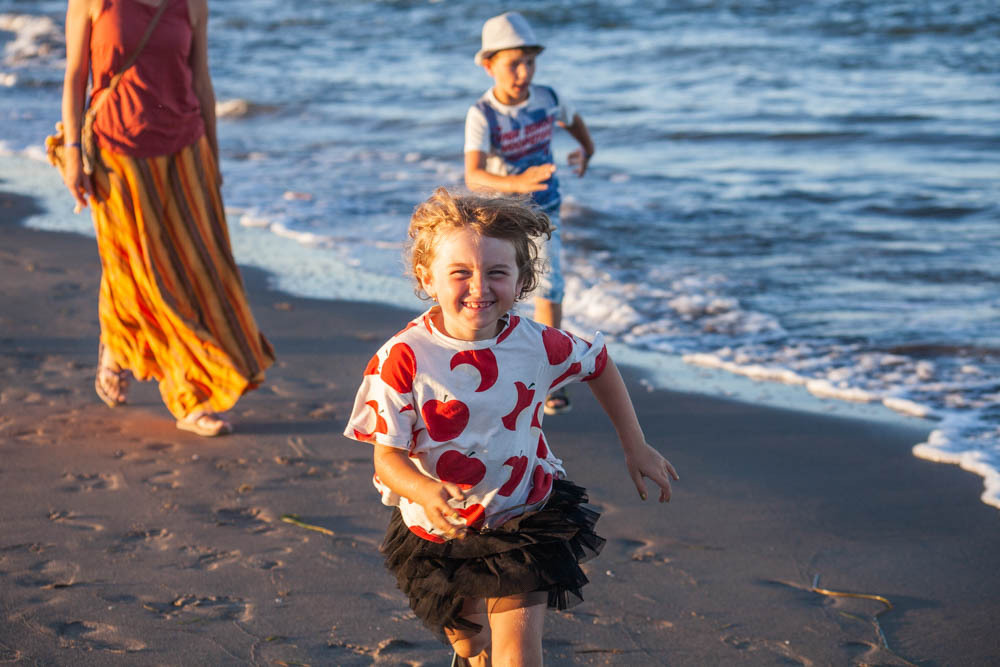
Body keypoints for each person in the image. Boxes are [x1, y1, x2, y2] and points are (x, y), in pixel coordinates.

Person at [344, 188, 677, 666]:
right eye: (460, 272)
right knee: (470, 641)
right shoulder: (404, 358)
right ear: (427, 277)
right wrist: (424, 490)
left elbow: (599, 363)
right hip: (441, 528)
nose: (479, 287)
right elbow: (387, 459)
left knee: (518, 654)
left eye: (497, 272)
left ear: (522, 281)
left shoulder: (537, 345)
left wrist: (636, 445)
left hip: (524, 513)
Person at [59, 0, 274, 436]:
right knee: (143, 273)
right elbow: (76, 74)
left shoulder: (192, 3)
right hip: (116, 152)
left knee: (194, 273)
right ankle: (180, 390)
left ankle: (130, 351)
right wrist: (72, 152)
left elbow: (201, 80)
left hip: (184, 149)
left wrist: (213, 159)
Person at [464, 11, 596, 416]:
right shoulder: (483, 114)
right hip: (502, 217)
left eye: (530, 63)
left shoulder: (547, 98)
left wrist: (586, 150)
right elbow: (473, 175)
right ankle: (494, 367)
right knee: (503, 288)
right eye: (513, 64)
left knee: (550, 288)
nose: (524, 73)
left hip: (545, 211)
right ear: (489, 66)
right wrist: (518, 182)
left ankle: (551, 376)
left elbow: (572, 121)